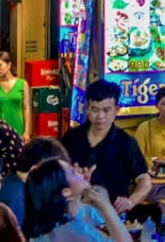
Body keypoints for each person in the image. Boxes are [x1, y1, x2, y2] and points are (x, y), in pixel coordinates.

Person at [61, 80, 151, 213]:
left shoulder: (125, 142)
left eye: (106, 110)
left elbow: (144, 180)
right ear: (87, 108)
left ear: (116, 110)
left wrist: (130, 201)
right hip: (75, 213)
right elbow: (56, 171)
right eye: (95, 110)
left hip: (112, 214)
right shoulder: (71, 138)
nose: (100, 116)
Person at [25, 158, 132, 242]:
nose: (79, 169)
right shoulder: (73, 230)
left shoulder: (55, 222)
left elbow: (94, 218)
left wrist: (84, 191)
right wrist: (106, 206)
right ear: (66, 192)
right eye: (72, 171)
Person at [0, 51, 31, 142]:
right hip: (0, 129)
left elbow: (26, 108)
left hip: (18, 127)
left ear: (9, 65)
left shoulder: (22, 84)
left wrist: (26, 131)